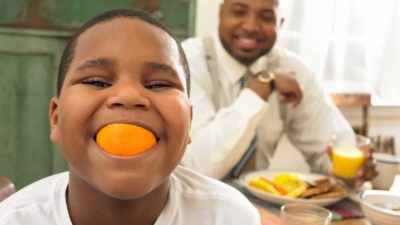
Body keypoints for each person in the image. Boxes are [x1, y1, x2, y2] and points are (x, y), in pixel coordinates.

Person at [0, 9, 261, 225]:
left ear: (189, 122)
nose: (128, 95)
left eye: (158, 84)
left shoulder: (230, 217)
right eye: (96, 81)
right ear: (56, 119)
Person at [181, 0, 377, 186]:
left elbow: (331, 145)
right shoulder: (186, 61)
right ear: (221, 13)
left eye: (265, 17)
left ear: (280, 23)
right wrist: (261, 85)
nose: (250, 26)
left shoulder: (293, 70)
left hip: (260, 207)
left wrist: (352, 171)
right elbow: (199, 167)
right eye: (239, 12)